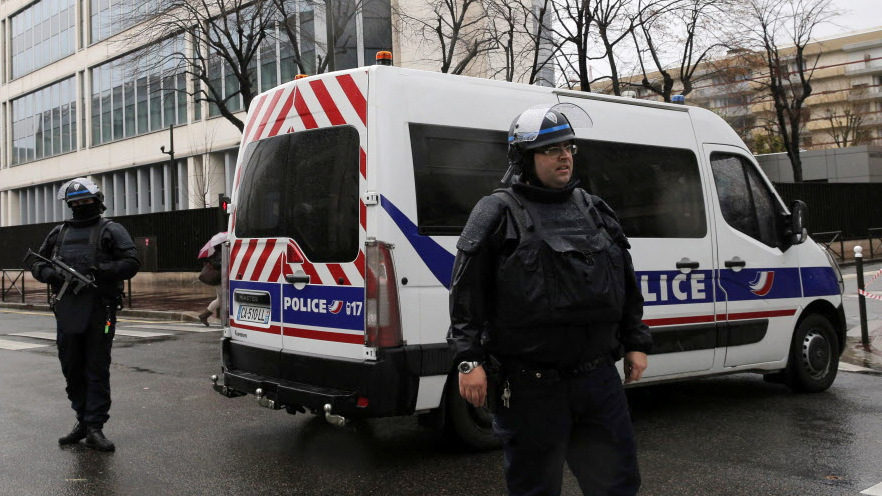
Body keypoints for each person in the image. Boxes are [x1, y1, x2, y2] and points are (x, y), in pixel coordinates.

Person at [448, 105, 652, 496]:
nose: (564, 156)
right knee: (535, 488)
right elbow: (466, 292)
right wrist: (468, 360)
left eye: (568, 147)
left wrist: (636, 342)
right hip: (531, 388)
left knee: (617, 484)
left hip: (597, 381)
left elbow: (624, 281)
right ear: (526, 158)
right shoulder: (496, 212)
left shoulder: (594, 209)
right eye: (550, 149)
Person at [30, 177, 140, 452]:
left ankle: (95, 427)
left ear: (98, 201)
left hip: (99, 309)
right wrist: (49, 273)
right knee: (71, 367)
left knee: (96, 368)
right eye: (75, 203)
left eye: (85, 202)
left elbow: (131, 262)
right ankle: (82, 420)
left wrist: (100, 270)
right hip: (67, 310)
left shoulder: (111, 230)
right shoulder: (60, 232)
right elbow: (36, 262)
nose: (80, 206)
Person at [197, 247, 223, 326]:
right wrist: (222, 263)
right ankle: (205, 315)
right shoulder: (218, 254)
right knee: (224, 299)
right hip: (219, 280)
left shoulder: (216, 253)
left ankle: (204, 316)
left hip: (219, 280)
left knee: (220, 300)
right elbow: (217, 265)